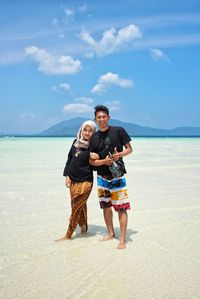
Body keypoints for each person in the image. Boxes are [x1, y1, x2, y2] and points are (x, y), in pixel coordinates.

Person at [89, 105, 132, 249]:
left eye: (104, 116)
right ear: (95, 119)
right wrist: (103, 161)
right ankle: (111, 233)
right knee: (106, 206)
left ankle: (123, 240)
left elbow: (129, 149)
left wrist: (118, 155)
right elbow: (91, 160)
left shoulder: (118, 131)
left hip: (117, 176)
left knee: (121, 207)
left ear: (108, 117)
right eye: (98, 117)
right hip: (101, 177)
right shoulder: (94, 137)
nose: (101, 119)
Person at [56, 120, 98, 241]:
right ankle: (84, 229)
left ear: (94, 132)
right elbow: (69, 159)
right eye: (85, 129)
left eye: (90, 130)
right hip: (73, 179)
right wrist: (67, 175)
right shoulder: (76, 142)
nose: (87, 132)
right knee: (81, 206)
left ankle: (68, 234)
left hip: (86, 180)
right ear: (81, 130)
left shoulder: (94, 145)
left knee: (75, 207)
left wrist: (95, 155)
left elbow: (96, 163)